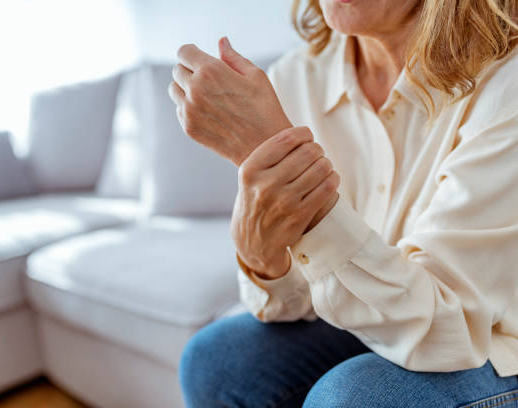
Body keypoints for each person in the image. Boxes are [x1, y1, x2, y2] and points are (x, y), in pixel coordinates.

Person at [168, 0, 518, 406]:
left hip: (495, 343)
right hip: (400, 320)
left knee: (355, 397)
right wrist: (258, 252)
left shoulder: (505, 83)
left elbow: (446, 330)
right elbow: (296, 301)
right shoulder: (297, 78)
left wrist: (281, 160)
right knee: (217, 360)